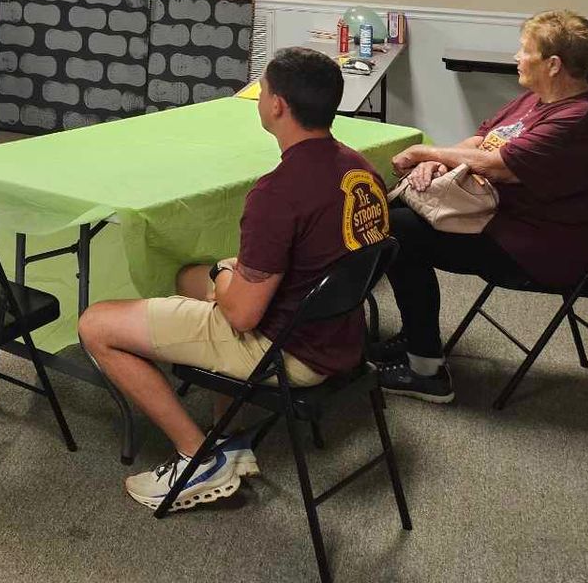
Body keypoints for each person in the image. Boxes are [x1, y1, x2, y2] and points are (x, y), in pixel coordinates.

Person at [77, 48, 391, 512]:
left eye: (263, 90)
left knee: (95, 324)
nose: (261, 97)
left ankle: (198, 457)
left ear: (277, 106)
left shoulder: (276, 192)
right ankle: (226, 424)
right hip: (341, 335)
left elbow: (242, 315)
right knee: (187, 276)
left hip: (288, 350)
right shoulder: (360, 168)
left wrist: (226, 274)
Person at [376, 9, 588, 403]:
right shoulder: (536, 99)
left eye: (524, 50)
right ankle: (417, 339)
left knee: (397, 231)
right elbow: (481, 142)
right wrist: (438, 159)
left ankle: (426, 369)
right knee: (393, 220)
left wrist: (423, 151)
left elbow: (498, 165)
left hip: (541, 249)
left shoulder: (580, 120)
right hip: (506, 221)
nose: (517, 56)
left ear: (553, 64)